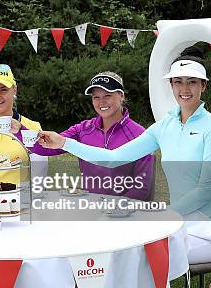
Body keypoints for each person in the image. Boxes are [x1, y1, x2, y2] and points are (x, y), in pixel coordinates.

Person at [39, 46, 211, 265]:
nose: (184, 88)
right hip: (178, 224)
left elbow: (206, 190)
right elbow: (113, 158)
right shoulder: (163, 127)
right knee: (119, 247)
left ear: (203, 86)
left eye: (192, 81)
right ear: (171, 85)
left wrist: (164, 215)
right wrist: (64, 142)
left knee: (137, 256)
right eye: (178, 81)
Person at [22, 71, 154, 200]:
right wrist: (18, 129)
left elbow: (142, 188)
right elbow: (43, 149)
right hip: (91, 209)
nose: (101, 102)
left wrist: (114, 210)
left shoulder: (140, 135)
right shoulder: (83, 129)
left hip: (126, 214)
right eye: (96, 97)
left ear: (121, 95)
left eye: (107, 95)